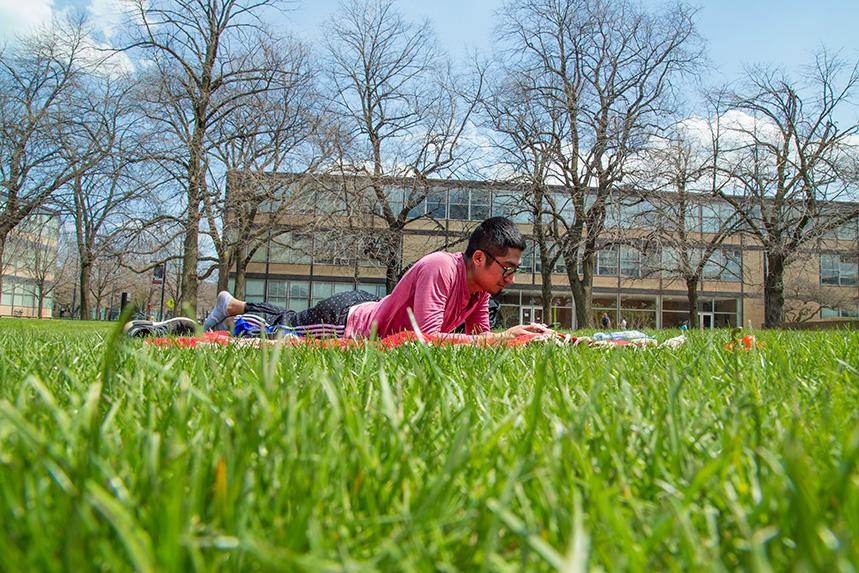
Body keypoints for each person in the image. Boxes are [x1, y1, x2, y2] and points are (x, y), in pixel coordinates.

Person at [199, 217, 552, 341]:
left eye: (514, 269)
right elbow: (425, 338)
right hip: (346, 323)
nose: (511, 277)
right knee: (289, 329)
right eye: (507, 267)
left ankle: (231, 304)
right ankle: (234, 315)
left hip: (367, 309)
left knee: (293, 320)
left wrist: (520, 338)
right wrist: (501, 338)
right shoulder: (440, 268)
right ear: (479, 257)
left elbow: (480, 341)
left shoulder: (480, 291)